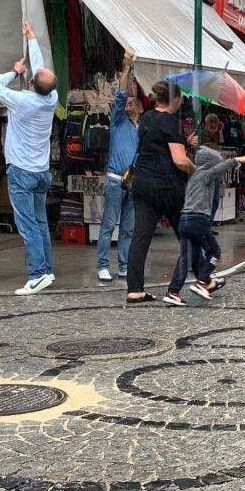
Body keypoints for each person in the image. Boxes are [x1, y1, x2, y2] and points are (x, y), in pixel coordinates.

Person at [0, 21, 59, 296]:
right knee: (40, 223)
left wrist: (13, 71)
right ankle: (47, 269)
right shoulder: (50, 98)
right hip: (41, 172)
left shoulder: (22, 101)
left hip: (21, 172)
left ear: (30, 83)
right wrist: (32, 39)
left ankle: (37, 274)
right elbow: (41, 72)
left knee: (27, 224)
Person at [125, 80, 196, 303]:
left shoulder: (145, 117)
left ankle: (135, 289)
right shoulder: (172, 123)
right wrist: (195, 169)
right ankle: (202, 279)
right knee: (188, 233)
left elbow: (155, 145)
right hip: (167, 186)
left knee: (141, 236)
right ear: (174, 100)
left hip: (142, 183)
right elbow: (179, 160)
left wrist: (185, 142)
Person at [163, 147, 245, 306]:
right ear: (210, 163)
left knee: (185, 258)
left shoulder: (193, 177)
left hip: (184, 220)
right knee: (214, 251)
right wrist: (237, 160)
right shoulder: (205, 175)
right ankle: (202, 282)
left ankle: (173, 292)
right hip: (198, 220)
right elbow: (218, 169)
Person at [96, 50, 139, 282]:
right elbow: (121, 93)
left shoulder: (142, 126)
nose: (128, 101)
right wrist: (127, 66)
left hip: (133, 181)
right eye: (127, 101)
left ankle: (123, 264)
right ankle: (103, 264)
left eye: (133, 100)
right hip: (115, 178)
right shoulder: (118, 121)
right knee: (109, 225)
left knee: (128, 228)